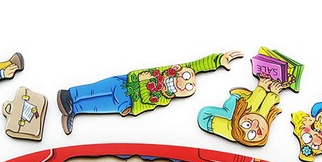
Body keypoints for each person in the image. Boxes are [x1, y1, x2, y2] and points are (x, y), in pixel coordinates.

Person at [57, 50, 243, 135]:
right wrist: (218, 59)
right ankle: (70, 95)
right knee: (96, 89)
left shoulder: (164, 99)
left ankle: (74, 110)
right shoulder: (168, 71)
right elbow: (197, 65)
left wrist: (132, 110)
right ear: (179, 69)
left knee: (98, 107)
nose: (183, 83)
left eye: (188, 88)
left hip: (127, 103)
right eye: (186, 76)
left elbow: (146, 104)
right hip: (125, 83)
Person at [197, 76, 284, 147]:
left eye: (247, 125)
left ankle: (236, 96)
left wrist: (261, 86)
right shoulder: (261, 120)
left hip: (206, 117)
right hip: (235, 119)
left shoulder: (239, 124)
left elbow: (250, 108)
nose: (255, 123)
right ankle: (253, 93)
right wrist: (274, 92)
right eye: (258, 131)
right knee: (254, 111)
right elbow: (267, 106)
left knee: (233, 113)